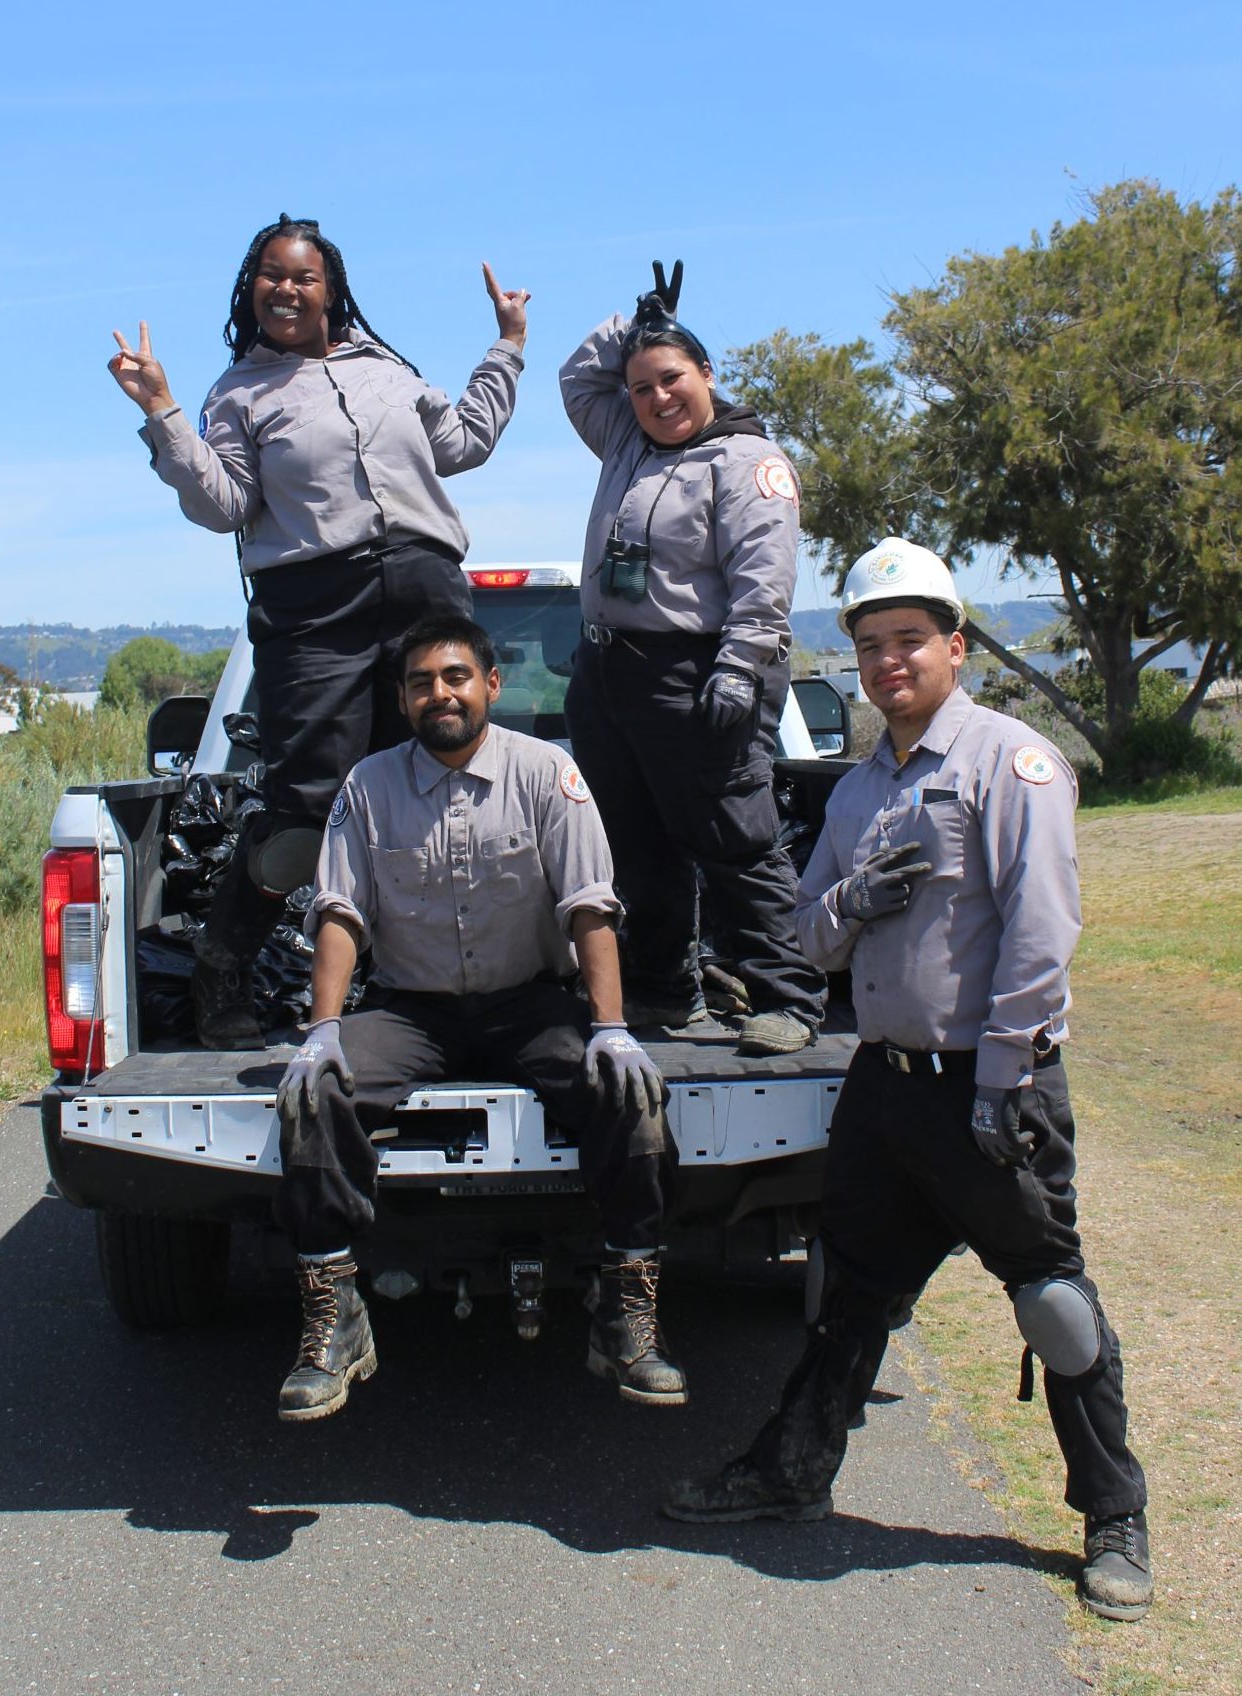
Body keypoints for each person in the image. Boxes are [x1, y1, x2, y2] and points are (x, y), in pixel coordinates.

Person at [661, 539, 1153, 1623]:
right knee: (849, 1293)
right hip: (885, 1089)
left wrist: (1002, 1080)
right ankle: (792, 1470)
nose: (889, 662)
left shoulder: (1010, 765)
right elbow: (804, 936)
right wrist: (853, 905)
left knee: (1056, 1304)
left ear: (955, 647)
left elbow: (1040, 936)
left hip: (991, 1091)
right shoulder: (860, 790)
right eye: (871, 645)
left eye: (909, 641)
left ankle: (1115, 1516)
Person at [108, 215, 530, 1049]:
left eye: (302, 276)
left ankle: (402, 984)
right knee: (306, 806)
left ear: (331, 289)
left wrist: (508, 345)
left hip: (424, 588)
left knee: (428, 787)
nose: (286, 288)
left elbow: (465, 441)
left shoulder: (387, 367)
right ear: (250, 289)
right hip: (314, 606)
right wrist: (162, 410)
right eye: (270, 275)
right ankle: (223, 964)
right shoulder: (239, 391)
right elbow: (223, 503)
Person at [271, 613, 685, 1421]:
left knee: (629, 1095)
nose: (441, 694)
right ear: (403, 698)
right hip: (413, 1013)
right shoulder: (369, 787)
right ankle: (335, 1317)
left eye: (456, 677)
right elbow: (340, 912)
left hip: (531, 1004)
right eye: (422, 682)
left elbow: (588, 907)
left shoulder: (547, 774)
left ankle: (627, 1315)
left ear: (491, 686)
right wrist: (321, 1031)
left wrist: (610, 1026)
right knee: (318, 1095)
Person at [559, 262, 826, 1056]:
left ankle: (789, 994)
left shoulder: (748, 462)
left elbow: (763, 579)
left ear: (707, 373)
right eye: (640, 387)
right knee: (638, 844)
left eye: (671, 378)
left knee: (733, 837)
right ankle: (666, 988)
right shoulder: (623, 441)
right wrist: (635, 325)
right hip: (609, 673)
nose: (657, 399)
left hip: (698, 669)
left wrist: (739, 669)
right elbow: (579, 378)